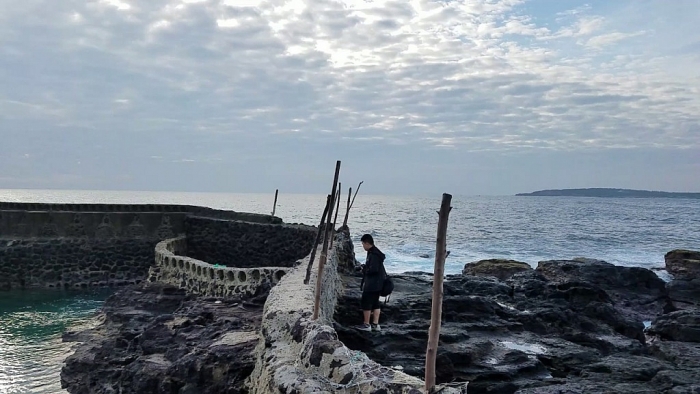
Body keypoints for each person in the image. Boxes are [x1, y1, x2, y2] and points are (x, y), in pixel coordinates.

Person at [356, 233, 386, 332]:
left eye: (363, 244)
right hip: (378, 283)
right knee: (375, 303)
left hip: (372, 283)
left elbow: (373, 269)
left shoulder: (373, 254)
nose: (363, 246)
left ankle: (366, 324)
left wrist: (364, 269)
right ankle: (375, 324)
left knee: (366, 302)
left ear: (367, 243)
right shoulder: (376, 253)